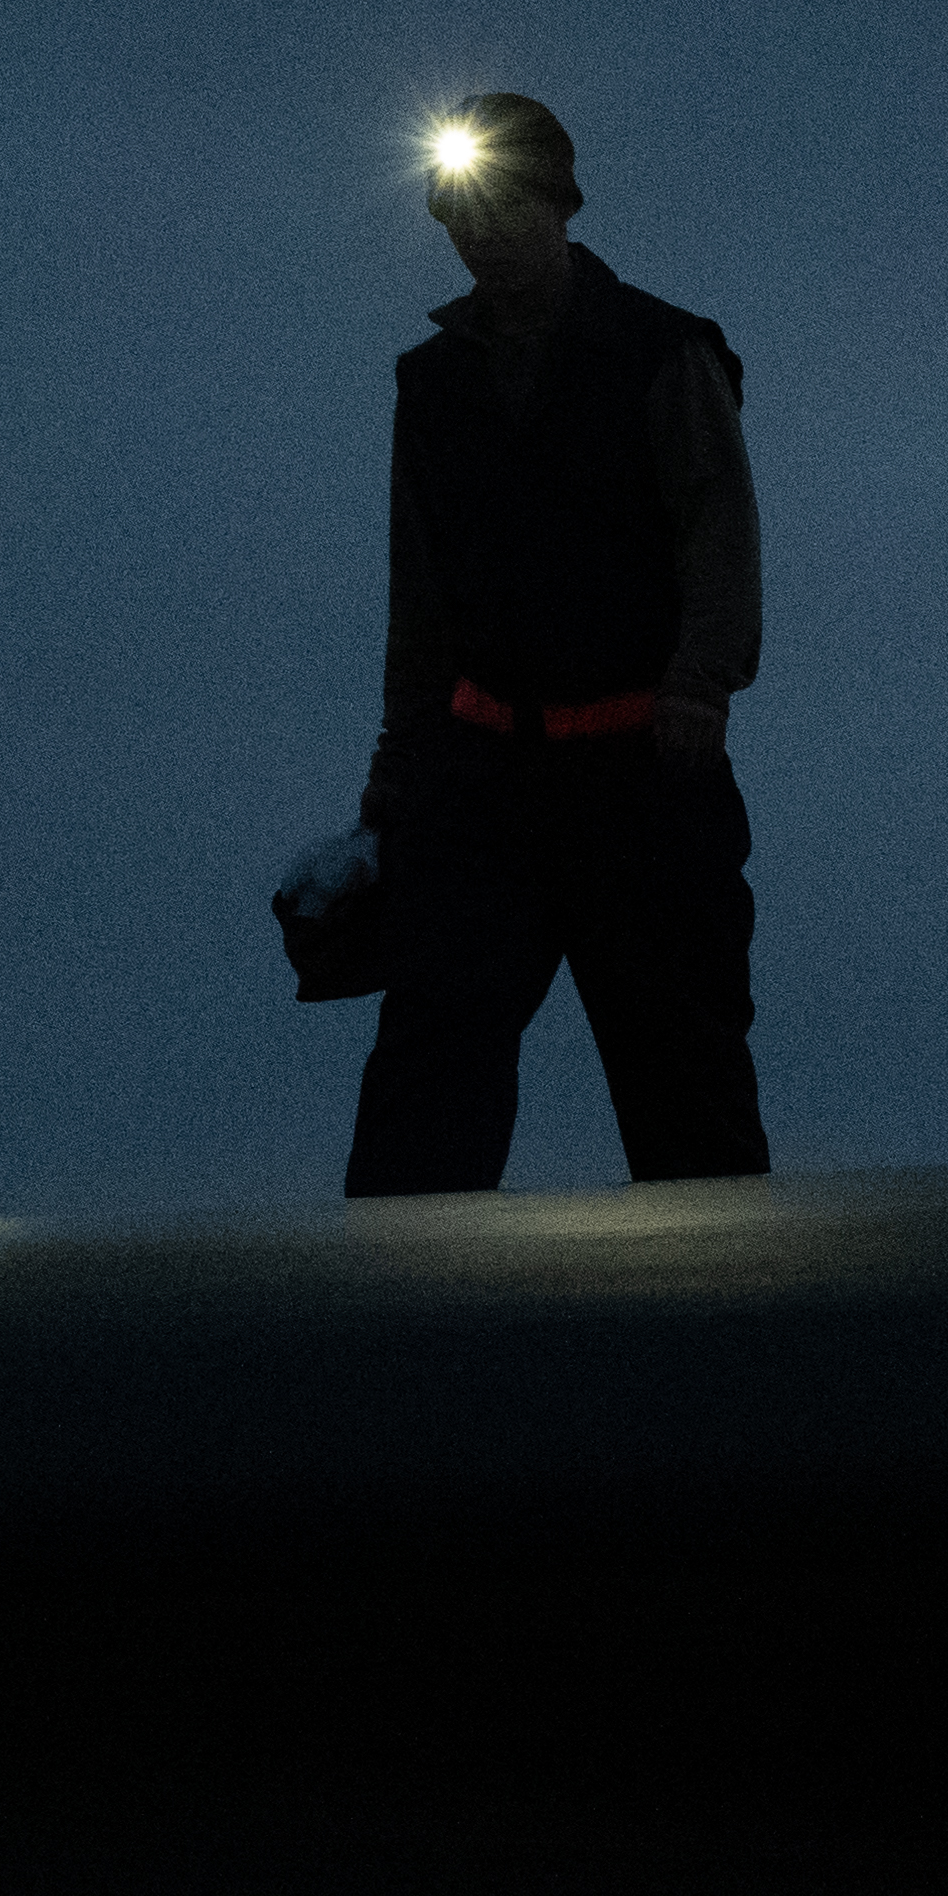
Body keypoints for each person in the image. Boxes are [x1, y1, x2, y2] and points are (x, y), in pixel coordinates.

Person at [328, 95, 770, 1195]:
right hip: (484, 782)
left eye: (505, 204)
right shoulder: (430, 384)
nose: (481, 231)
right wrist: (398, 774)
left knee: (684, 1078)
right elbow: (420, 593)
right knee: (429, 1075)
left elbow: (719, 531)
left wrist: (700, 685)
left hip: (644, 773)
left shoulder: (663, 350)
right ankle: (391, 1332)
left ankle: (732, 1331)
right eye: (460, 212)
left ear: (558, 207)